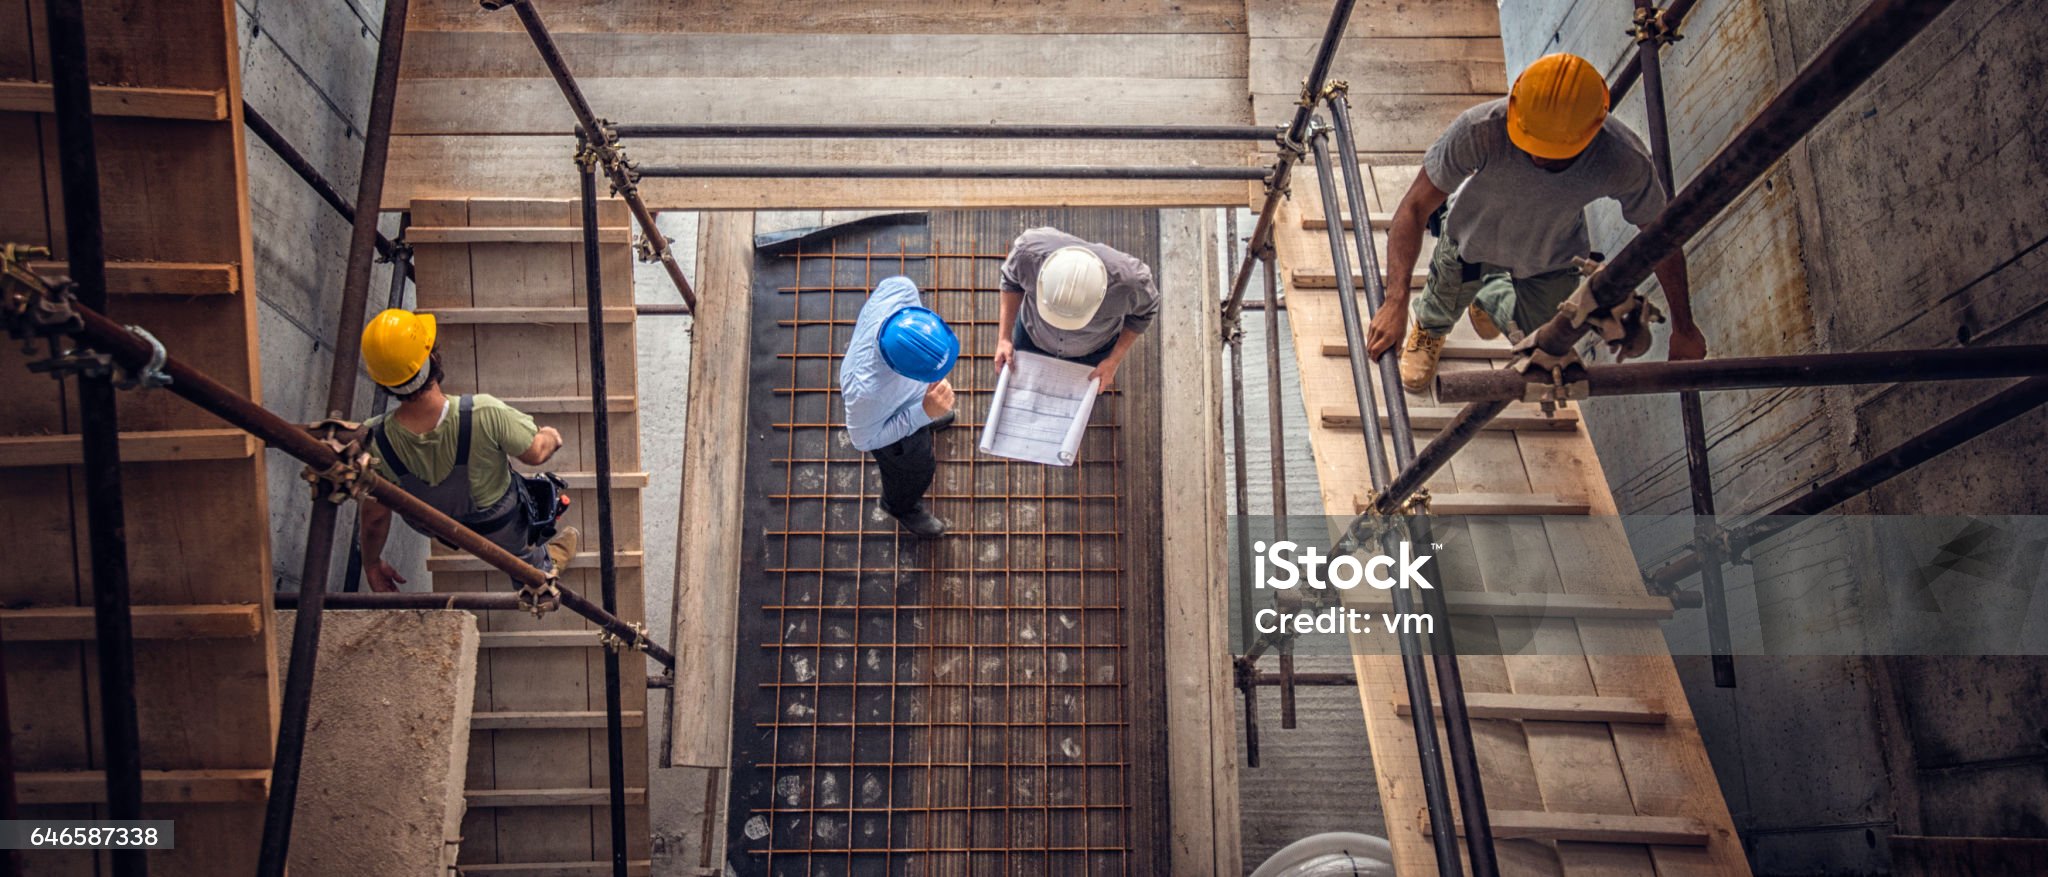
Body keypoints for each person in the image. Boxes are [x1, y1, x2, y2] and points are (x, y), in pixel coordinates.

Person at [1366, 52, 1707, 393]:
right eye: (1530, 143)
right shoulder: (1479, 129)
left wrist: (1685, 325)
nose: (1538, 156)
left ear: (1591, 132)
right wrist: (1395, 302)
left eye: (1554, 150)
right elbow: (1413, 207)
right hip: (1471, 241)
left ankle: (1488, 296)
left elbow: (1660, 238)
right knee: (1443, 298)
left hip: (1550, 257)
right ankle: (1431, 329)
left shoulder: (1621, 158)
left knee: (1545, 338)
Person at [354, 308, 578, 592]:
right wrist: (550, 436)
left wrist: (372, 564)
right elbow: (534, 454)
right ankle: (541, 571)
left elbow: (374, 518)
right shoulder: (485, 413)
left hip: (439, 528)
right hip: (500, 526)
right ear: (432, 358)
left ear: (383, 381)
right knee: (522, 554)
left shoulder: (374, 440)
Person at [841, 276, 961, 539]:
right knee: (917, 469)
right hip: (888, 420)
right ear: (901, 371)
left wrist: (926, 404)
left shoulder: (901, 290)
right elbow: (864, 439)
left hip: (909, 398)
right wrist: (922, 414)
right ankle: (900, 506)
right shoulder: (867, 394)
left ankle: (929, 416)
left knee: (928, 416)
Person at [992, 227, 1159, 393]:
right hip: (1031, 336)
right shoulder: (1028, 254)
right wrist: (1004, 338)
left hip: (1093, 350)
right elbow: (1010, 282)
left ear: (1102, 295)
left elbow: (1145, 313)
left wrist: (1113, 361)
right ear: (1042, 277)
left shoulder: (1131, 283)